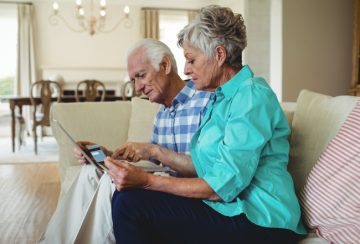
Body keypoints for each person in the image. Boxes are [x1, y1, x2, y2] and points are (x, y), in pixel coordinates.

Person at [107, 5, 307, 244]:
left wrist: (148, 181)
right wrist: (146, 160)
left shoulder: (252, 96)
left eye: (191, 60)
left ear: (219, 55)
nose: (186, 70)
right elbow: (206, 167)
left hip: (262, 219)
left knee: (131, 205)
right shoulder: (221, 99)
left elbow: (220, 187)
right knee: (125, 197)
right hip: (229, 208)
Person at [38, 39, 212, 244]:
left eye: (141, 75)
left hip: (192, 196)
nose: (138, 87)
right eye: (133, 80)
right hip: (167, 185)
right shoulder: (162, 112)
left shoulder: (206, 100)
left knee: (108, 185)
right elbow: (159, 161)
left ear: (165, 65)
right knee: (90, 173)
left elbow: (208, 169)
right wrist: (109, 155)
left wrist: (153, 151)